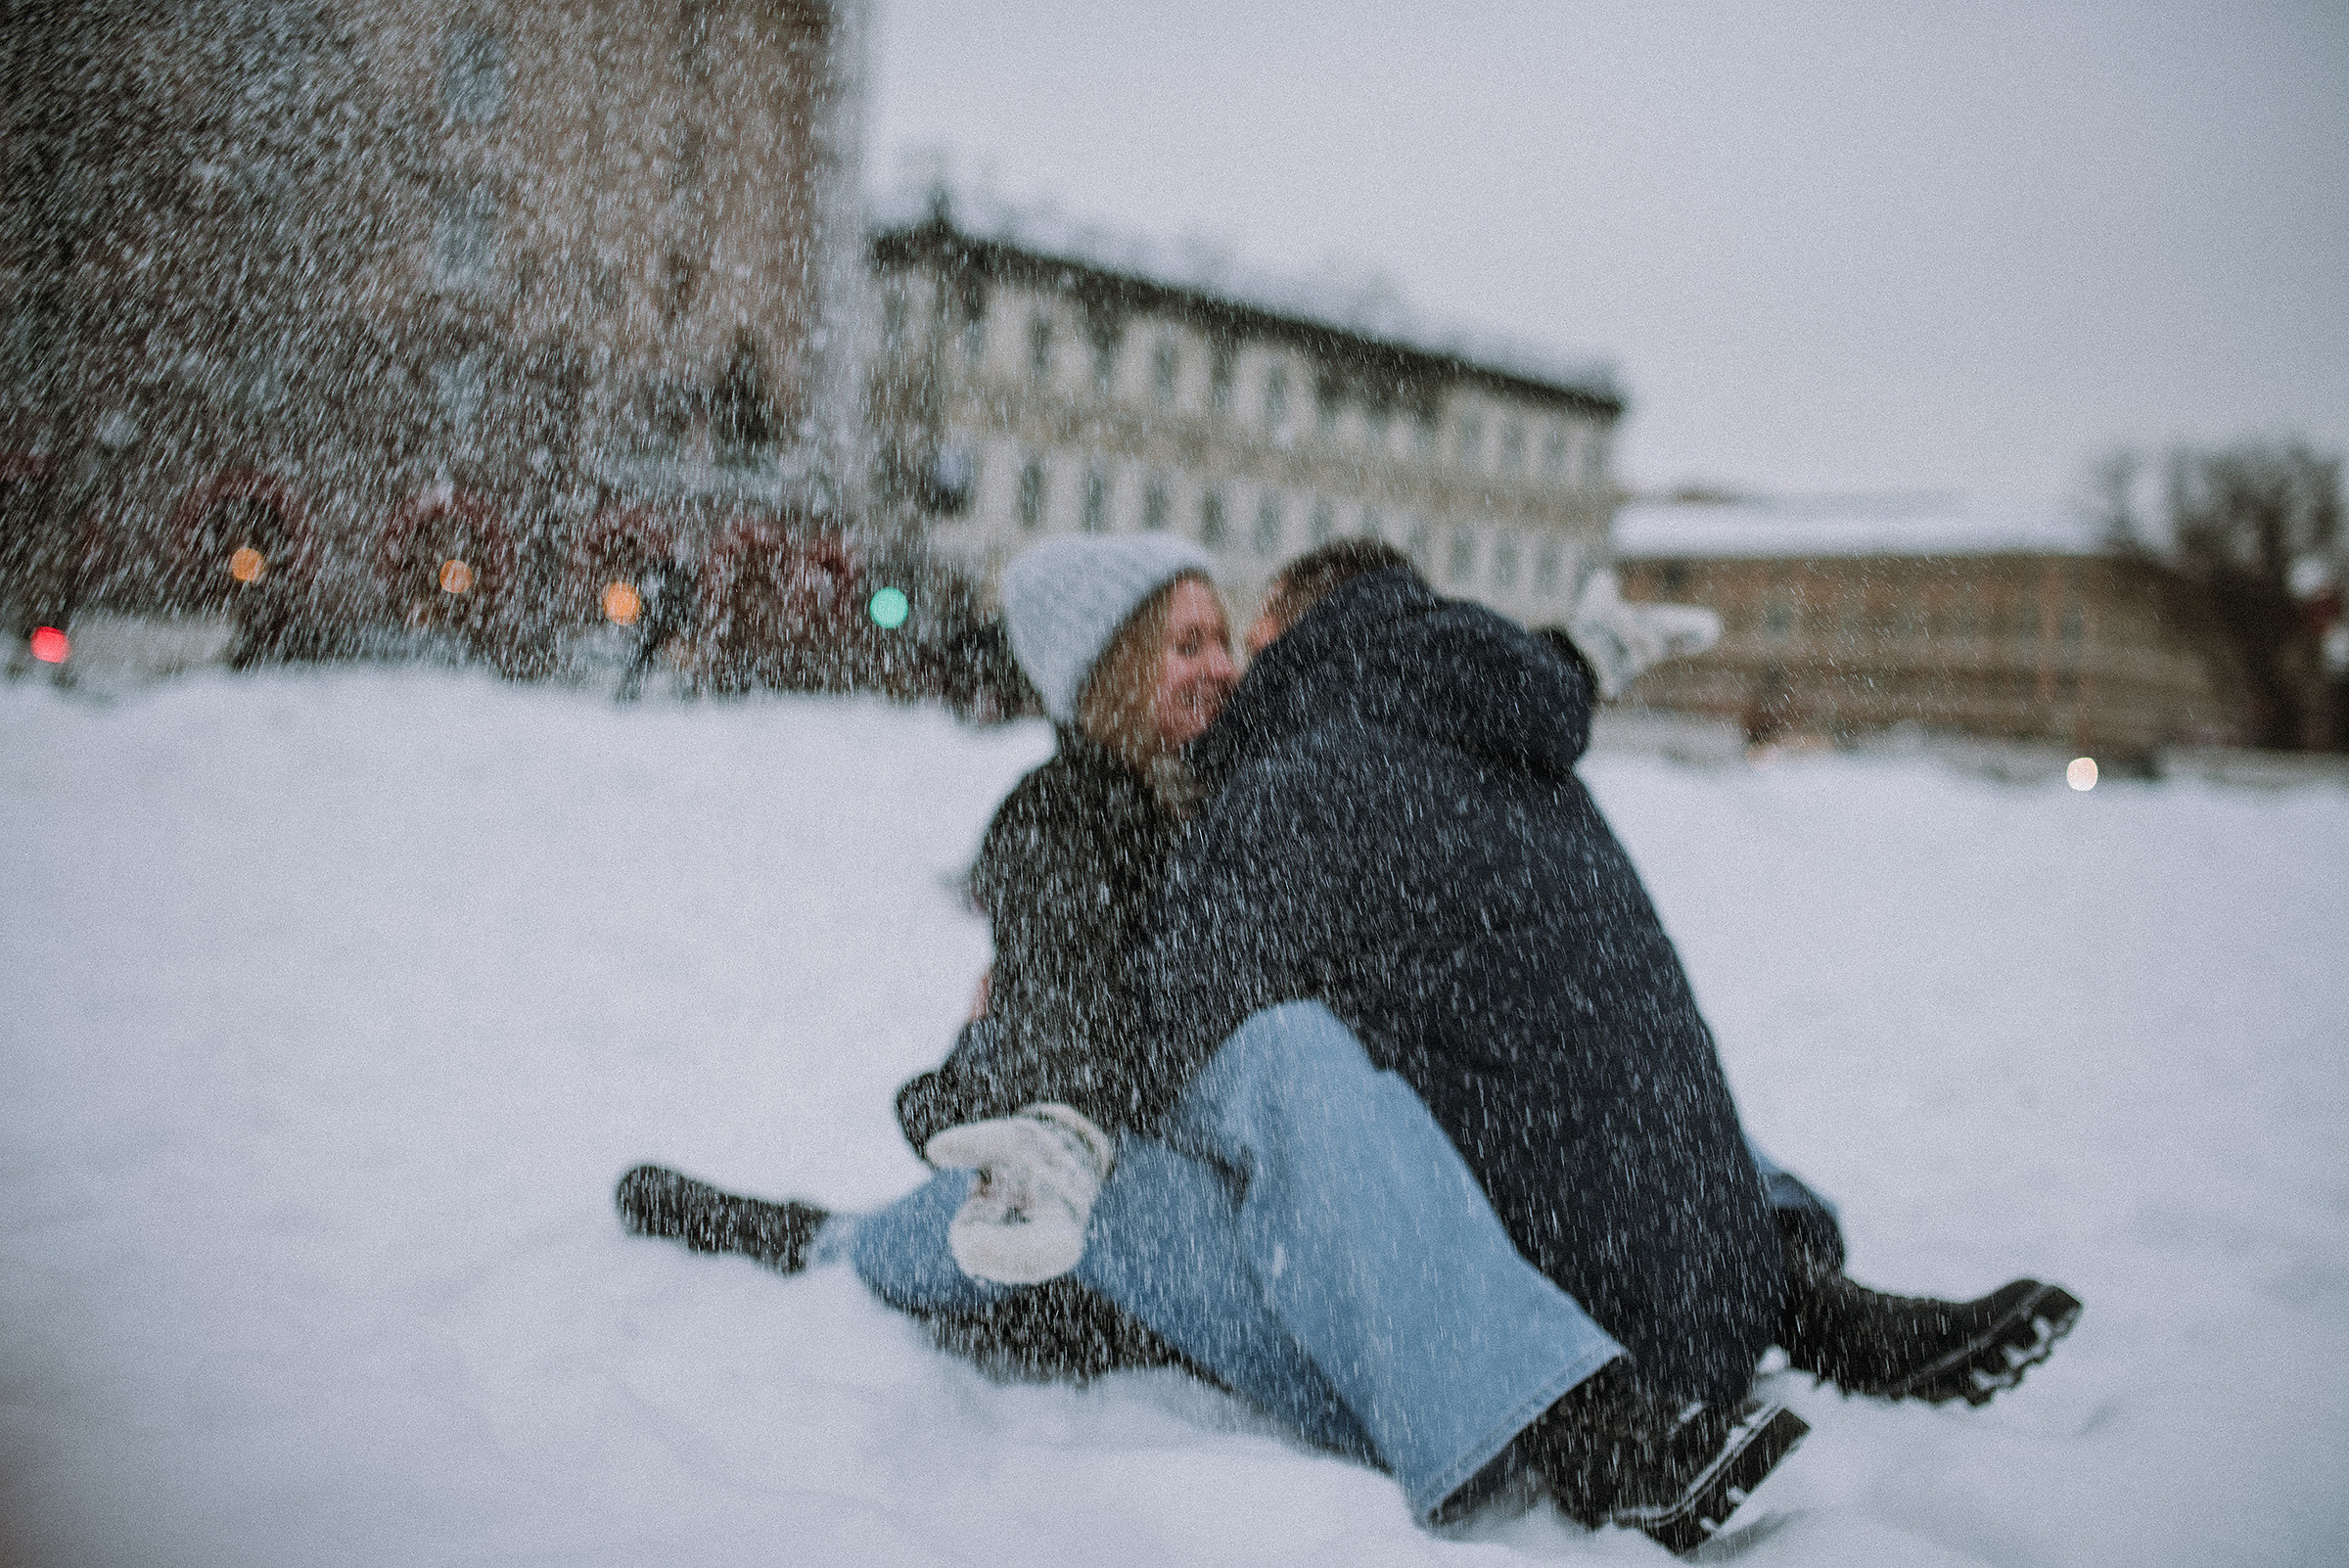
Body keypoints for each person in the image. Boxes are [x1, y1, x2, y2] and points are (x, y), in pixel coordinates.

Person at [616, 537, 2080, 1550]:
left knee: (1517, 1020)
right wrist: (1048, 1104)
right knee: (1198, 1106)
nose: (1217, 670)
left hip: (1322, 1243)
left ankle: (1786, 1279)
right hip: (1177, 1222)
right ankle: (794, 1236)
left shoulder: (1270, 787)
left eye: (1224, 641)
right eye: (1184, 642)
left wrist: (1581, 651)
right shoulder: (1072, 820)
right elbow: (1063, 983)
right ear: (1113, 671)